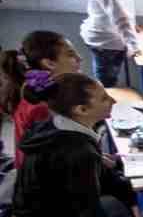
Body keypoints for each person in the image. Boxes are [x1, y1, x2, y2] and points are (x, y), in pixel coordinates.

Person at [12, 72, 138, 217]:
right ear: (82, 109)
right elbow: (89, 210)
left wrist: (127, 191)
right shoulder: (78, 151)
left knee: (127, 191)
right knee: (124, 205)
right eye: (104, 98)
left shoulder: (56, 124)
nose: (113, 100)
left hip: (31, 207)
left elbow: (97, 174)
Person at [0, 31, 83, 168]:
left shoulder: (33, 89)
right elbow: (54, 160)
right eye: (70, 54)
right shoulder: (42, 107)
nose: (79, 58)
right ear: (49, 63)